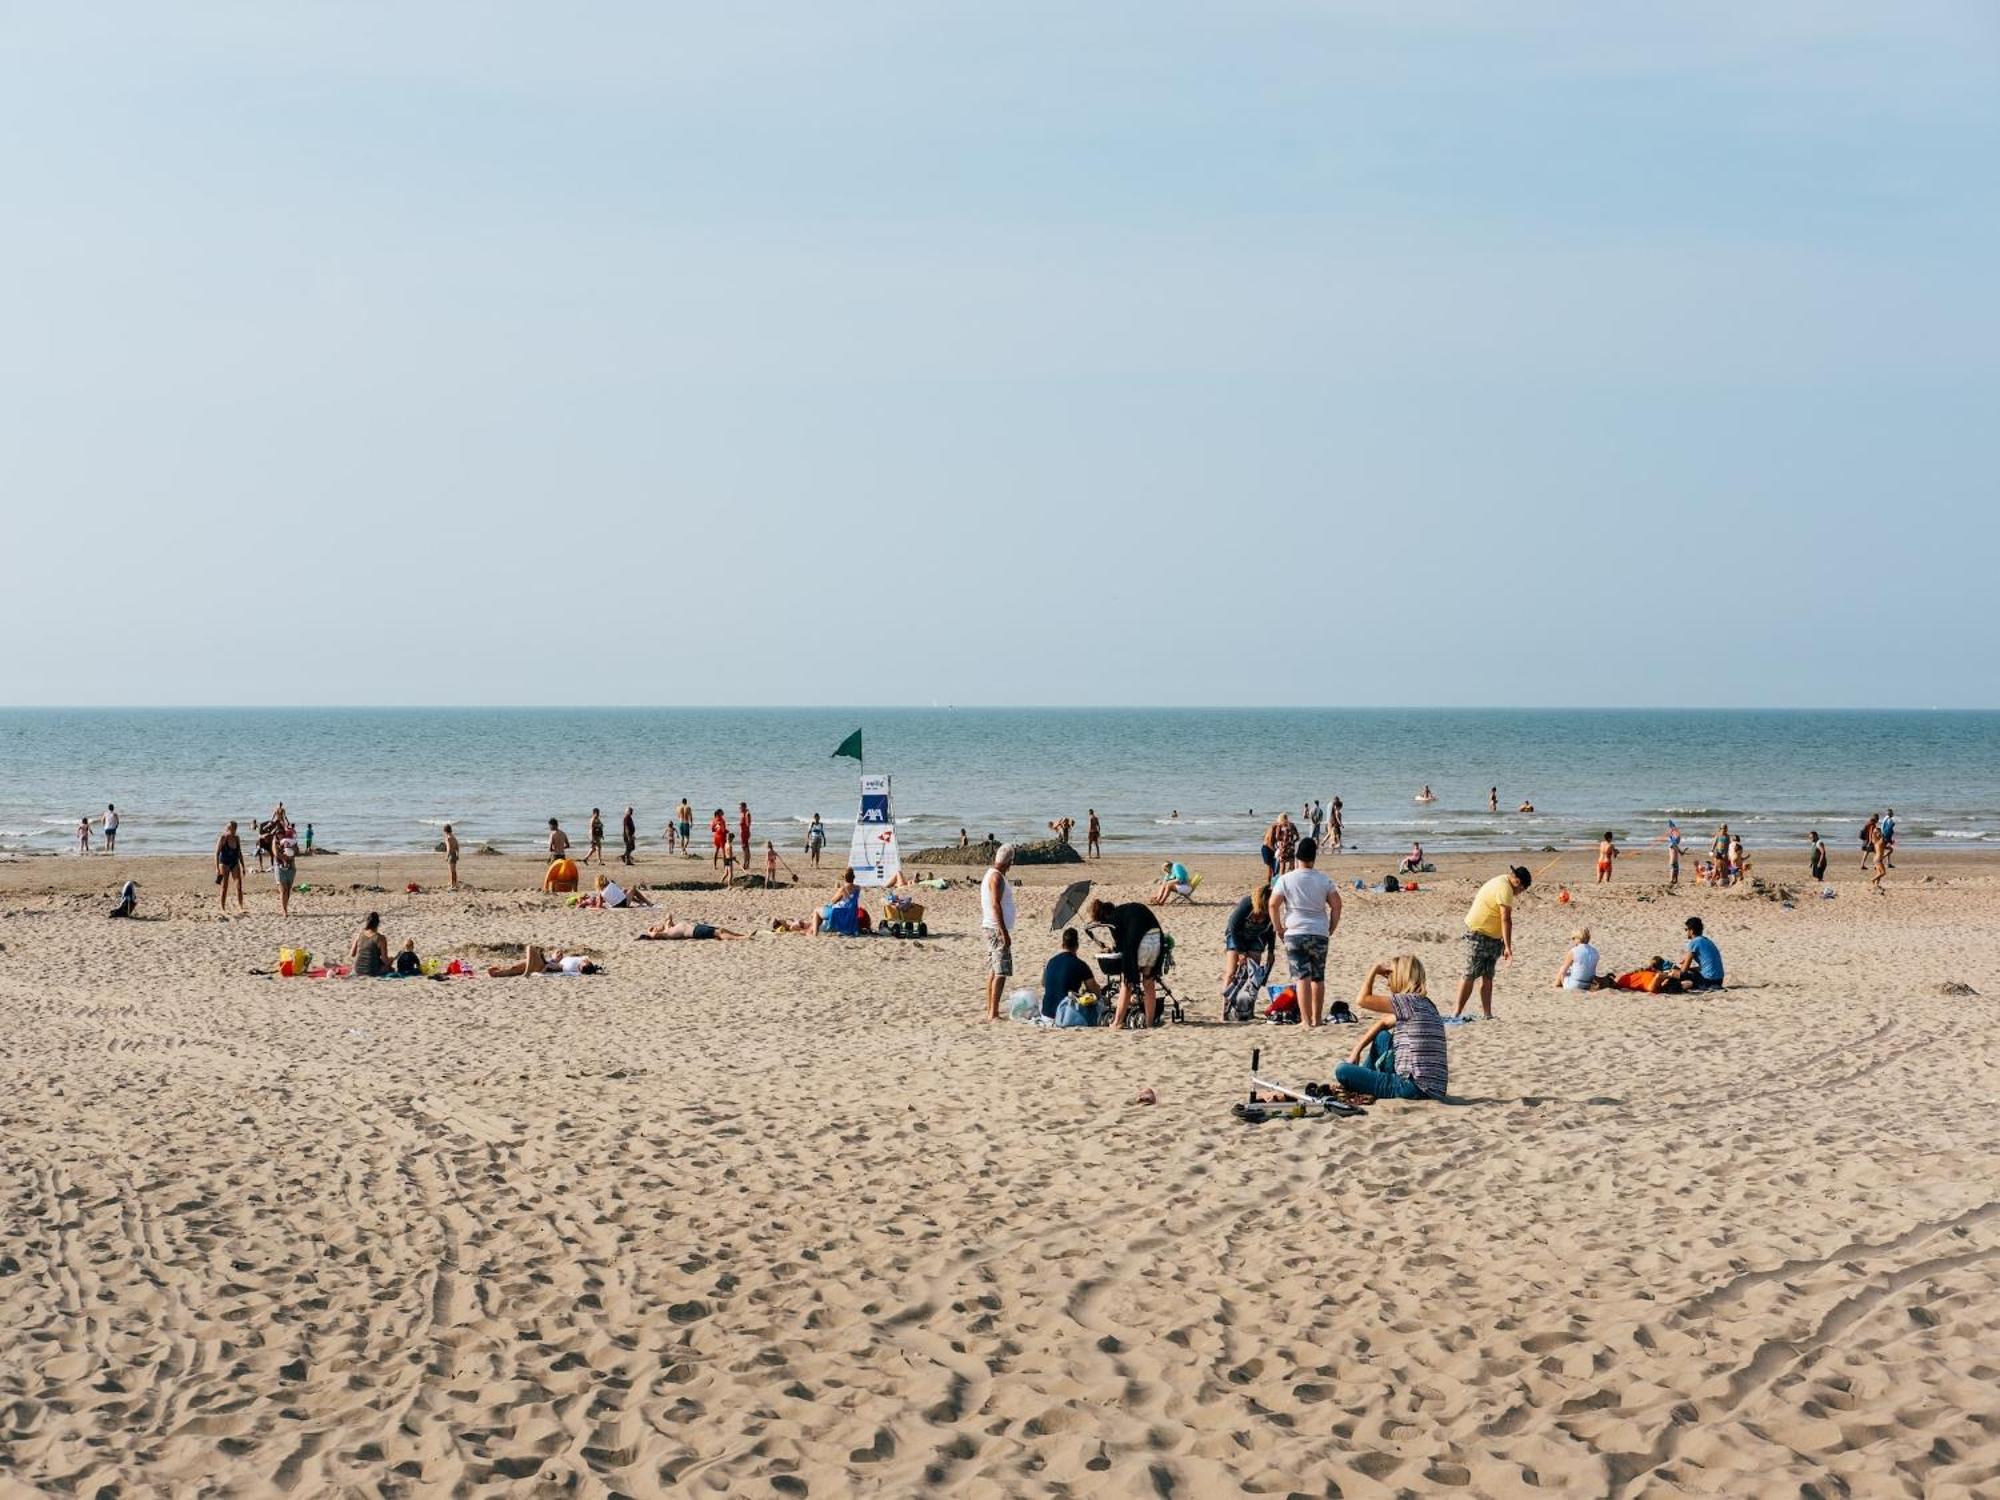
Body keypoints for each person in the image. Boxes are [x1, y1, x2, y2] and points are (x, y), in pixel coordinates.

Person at [1334, 956, 1448, 1102]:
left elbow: (1362, 1000)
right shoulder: (1426, 1005)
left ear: (1399, 977)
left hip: (1413, 1087)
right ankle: (1364, 1079)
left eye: (1389, 977)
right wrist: (1357, 1050)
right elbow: (1383, 1023)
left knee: (1342, 1070)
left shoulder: (1407, 1002)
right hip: (1434, 1088)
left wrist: (1373, 971)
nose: (1388, 984)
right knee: (1382, 1037)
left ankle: (1359, 1084)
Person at [1268, 835, 1341, 1027]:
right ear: (1314, 858)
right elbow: (1337, 905)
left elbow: (1273, 904)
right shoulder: (1324, 880)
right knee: (1318, 977)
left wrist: (1279, 928)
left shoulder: (1285, 879)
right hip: (1318, 931)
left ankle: (1306, 1020)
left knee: (1301, 977)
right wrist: (1331, 927)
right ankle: (1317, 1019)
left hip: (1294, 932)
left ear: (1297, 857)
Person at [1454, 865, 1531, 1018]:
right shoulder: (1505, 888)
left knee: (1488, 975)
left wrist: (1502, 941)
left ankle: (1487, 1014)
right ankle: (1456, 1013)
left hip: (1493, 937)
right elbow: (1506, 919)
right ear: (1517, 882)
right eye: (1521, 890)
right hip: (1478, 933)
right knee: (1469, 974)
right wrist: (1508, 947)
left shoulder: (1503, 881)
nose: (1519, 893)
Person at [1088, 895, 1164, 1029]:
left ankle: (1117, 1022)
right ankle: (1149, 1023)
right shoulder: (1125, 910)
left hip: (1141, 942)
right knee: (1148, 982)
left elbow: (1123, 947)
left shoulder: (1112, 920)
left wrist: (1111, 950)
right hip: (1156, 937)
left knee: (1126, 983)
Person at [981, 844, 1017, 1021]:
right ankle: (993, 1012)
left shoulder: (992, 874)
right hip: (996, 929)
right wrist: (1004, 932)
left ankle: (991, 1009)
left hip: (992, 927)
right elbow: (996, 904)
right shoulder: (996, 878)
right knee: (1001, 971)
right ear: (1008, 862)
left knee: (994, 970)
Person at [1221, 883, 1276, 1001]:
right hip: (1237, 935)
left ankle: (1246, 1007)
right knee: (1231, 972)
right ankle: (1226, 1006)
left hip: (1257, 937)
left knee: (1252, 976)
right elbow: (1233, 927)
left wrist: (1271, 951)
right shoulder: (1247, 904)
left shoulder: (1271, 908)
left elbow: (1272, 930)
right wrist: (1241, 952)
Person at [1041, 927, 1102, 1019]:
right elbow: (1095, 992)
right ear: (1077, 946)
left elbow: (1043, 983)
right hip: (1065, 1014)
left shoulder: (1051, 961)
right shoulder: (1080, 965)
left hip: (1046, 1013)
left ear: (1062, 945)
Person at [1673, 916, 1725, 990]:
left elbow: (1683, 971)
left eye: (1686, 929)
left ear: (1691, 931)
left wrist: (1674, 972)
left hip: (1707, 981)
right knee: (1690, 972)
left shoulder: (1694, 942)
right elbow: (1706, 966)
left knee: (1676, 975)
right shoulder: (1706, 941)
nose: (1686, 932)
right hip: (1719, 981)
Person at [487, 945, 601, 975]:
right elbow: (588, 960)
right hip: (547, 961)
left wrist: (552, 960)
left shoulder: (570, 968)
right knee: (516, 969)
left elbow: (550, 967)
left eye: (580, 967)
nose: (580, 965)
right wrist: (557, 956)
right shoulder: (583, 960)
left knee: (530, 948)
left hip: (543, 964)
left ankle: (527, 973)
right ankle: (499, 972)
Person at [1554, 926, 1599, 991]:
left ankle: (1555, 985)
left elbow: (1564, 970)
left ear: (1578, 938)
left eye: (1573, 938)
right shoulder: (1595, 951)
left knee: (1562, 969)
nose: (1573, 940)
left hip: (1574, 985)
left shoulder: (1573, 951)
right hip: (1589, 984)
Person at [215, 821, 246, 912]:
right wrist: (217, 868)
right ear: (228, 828)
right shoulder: (223, 838)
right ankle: (222, 907)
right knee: (225, 886)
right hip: (224, 863)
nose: (233, 830)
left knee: (239, 885)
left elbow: (239, 853)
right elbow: (216, 853)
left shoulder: (237, 838)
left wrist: (243, 866)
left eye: (235, 828)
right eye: (231, 828)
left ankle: (241, 906)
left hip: (234, 862)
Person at [638, 917, 747, 941]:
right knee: (718, 933)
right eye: (655, 928)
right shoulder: (666, 934)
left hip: (696, 927)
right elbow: (653, 935)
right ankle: (742, 938)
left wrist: (664, 924)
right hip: (694, 932)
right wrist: (649, 930)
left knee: (721, 929)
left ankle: (740, 935)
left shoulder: (668, 927)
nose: (656, 927)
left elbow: (669, 916)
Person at [350, 912, 390, 977]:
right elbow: (384, 959)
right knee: (388, 966)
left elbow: (352, 954)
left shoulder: (359, 935)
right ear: (378, 923)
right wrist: (391, 961)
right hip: (372, 970)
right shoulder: (380, 938)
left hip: (357, 969)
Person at [274, 824, 299, 916]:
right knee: (283, 889)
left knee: (288, 890)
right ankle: (284, 910)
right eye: (277, 833)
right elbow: (276, 854)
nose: (279, 835)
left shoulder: (291, 841)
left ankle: (285, 907)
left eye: (281, 833)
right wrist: (285, 859)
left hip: (291, 867)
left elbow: (297, 851)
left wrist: (293, 850)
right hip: (279, 867)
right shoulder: (275, 842)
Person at [443, 823, 461, 891]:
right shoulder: (454, 837)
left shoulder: (448, 838)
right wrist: (458, 854)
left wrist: (447, 856)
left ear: (445, 831)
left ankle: (452, 885)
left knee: (451, 871)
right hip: (454, 854)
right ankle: (455, 883)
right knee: (454, 871)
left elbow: (449, 848)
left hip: (451, 855)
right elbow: (457, 846)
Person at [1666, 819, 1683, 886]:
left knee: (1676, 868)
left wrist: (1680, 852)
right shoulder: (1672, 844)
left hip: (1674, 859)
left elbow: (1676, 845)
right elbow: (1675, 845)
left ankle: (1675, 880)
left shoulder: (1673, 843)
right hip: (1673, 859)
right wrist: (1681, 852)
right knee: (1673, 868)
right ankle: (1671, 880)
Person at [738, 803, 752, 869]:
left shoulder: (746, 814)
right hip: (745, 833)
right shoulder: (744, 813)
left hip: (744, 833)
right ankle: (747, 863)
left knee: (744, 849)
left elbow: (748, 824)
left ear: (744, 807)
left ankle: (745, 864)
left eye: (740, 807)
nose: (739, 809)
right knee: (746, 848)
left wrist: (744, 829)